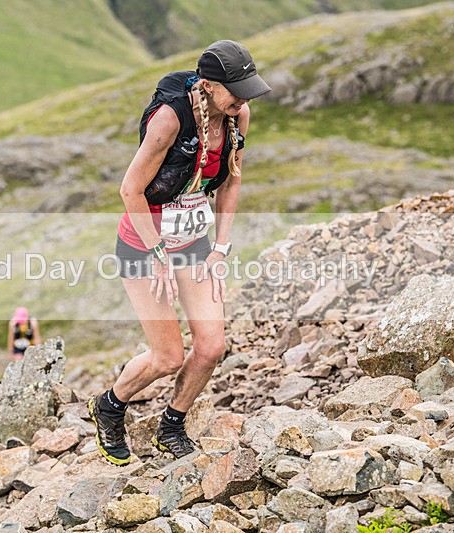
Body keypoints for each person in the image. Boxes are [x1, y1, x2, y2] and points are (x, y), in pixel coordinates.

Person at [88, 40, 271, 466]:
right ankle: (111, 405)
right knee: (168, 356)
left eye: (248, 88)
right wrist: (156, 252)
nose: (243, 98)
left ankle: (171, 424)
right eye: (235, 89)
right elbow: (129, 190)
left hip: (193, 240)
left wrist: (221, 249)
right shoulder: (170, 120)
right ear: (207, 86)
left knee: (210, 347)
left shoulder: (237, 115)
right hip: (143, 241)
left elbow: (230, 183)